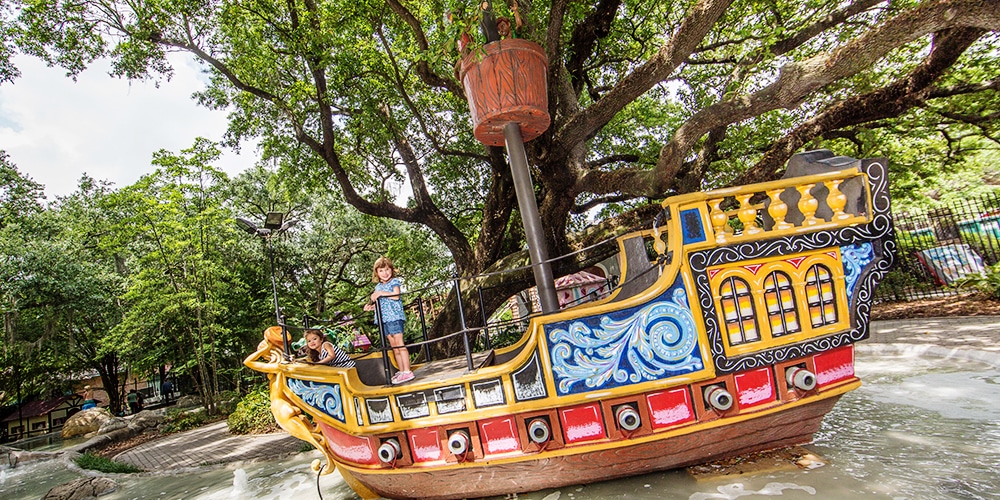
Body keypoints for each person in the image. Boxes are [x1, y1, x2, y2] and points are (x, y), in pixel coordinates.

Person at [363, 256, 413, 383]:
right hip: (384, 319)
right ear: (377, 273)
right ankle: (402, 370)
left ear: (391, 269)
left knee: (400, 344)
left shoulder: (394, 282)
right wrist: (371, 307)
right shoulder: (378, 287)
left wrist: (381, 293)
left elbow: (396, 296)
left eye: (387, 269)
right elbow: (381, 304)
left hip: (394, 317)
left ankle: (407, 371)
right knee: (394, 347)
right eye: (381, 271)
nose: (385, 273)